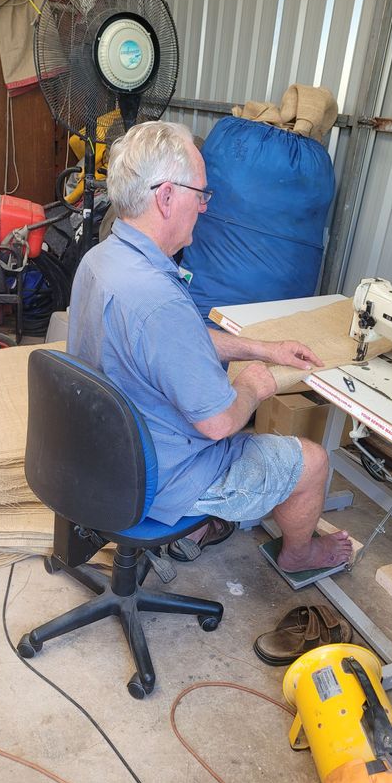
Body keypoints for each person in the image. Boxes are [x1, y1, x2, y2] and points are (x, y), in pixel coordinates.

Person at [67, 121, 352, 572]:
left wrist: (262, 349)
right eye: (200, 194)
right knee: (312, 460)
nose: (204, 207)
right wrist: (254, 389)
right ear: (165, 197)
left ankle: (202, 525)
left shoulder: (103, 259)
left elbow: (172, 345)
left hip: (100, 455)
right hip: (158, 474)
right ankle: (300, 555)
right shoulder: (158, 299)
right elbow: (218, 424)